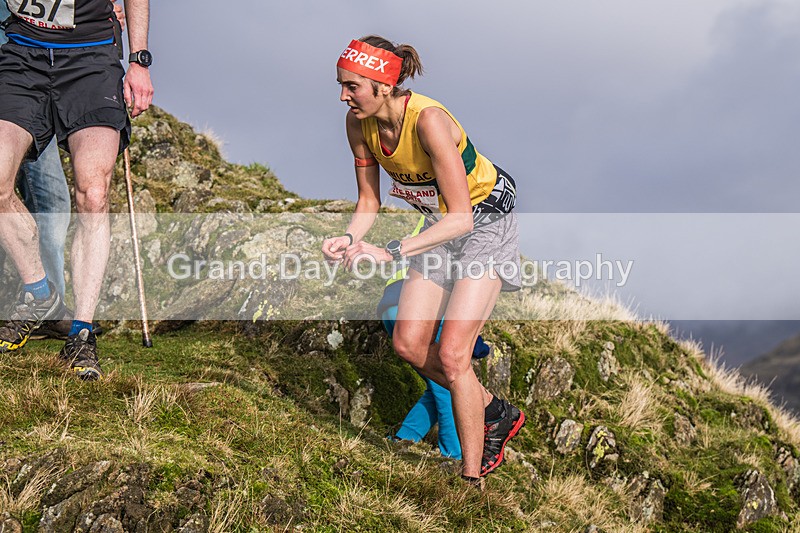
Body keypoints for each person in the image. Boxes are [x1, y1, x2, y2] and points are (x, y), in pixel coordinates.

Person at [322, 36, 524, 484]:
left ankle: (472, 480)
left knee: (453, 356)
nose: (343, 95)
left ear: (384, 84)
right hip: (440, 227)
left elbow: (461, 220)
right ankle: (492, 409)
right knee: (409, 344)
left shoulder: (429, 122)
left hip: (482, 225)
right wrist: (349, 238)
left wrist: (390, 251)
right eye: (341, 84)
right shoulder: (359, 125)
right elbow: (369, 201)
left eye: (353, 86)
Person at [0, 0, 153, 381]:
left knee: (94, 194)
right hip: (22, 55)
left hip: (91, 61)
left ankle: (81, 334)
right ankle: (39, 292)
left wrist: (139, 61)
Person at [378, 219, 493, 460]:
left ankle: (403, 437)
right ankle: (453, 455)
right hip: (421, 309)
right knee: (450, 387)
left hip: (393, 306)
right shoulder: (467, 222)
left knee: (437, 384)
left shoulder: (434, 215)